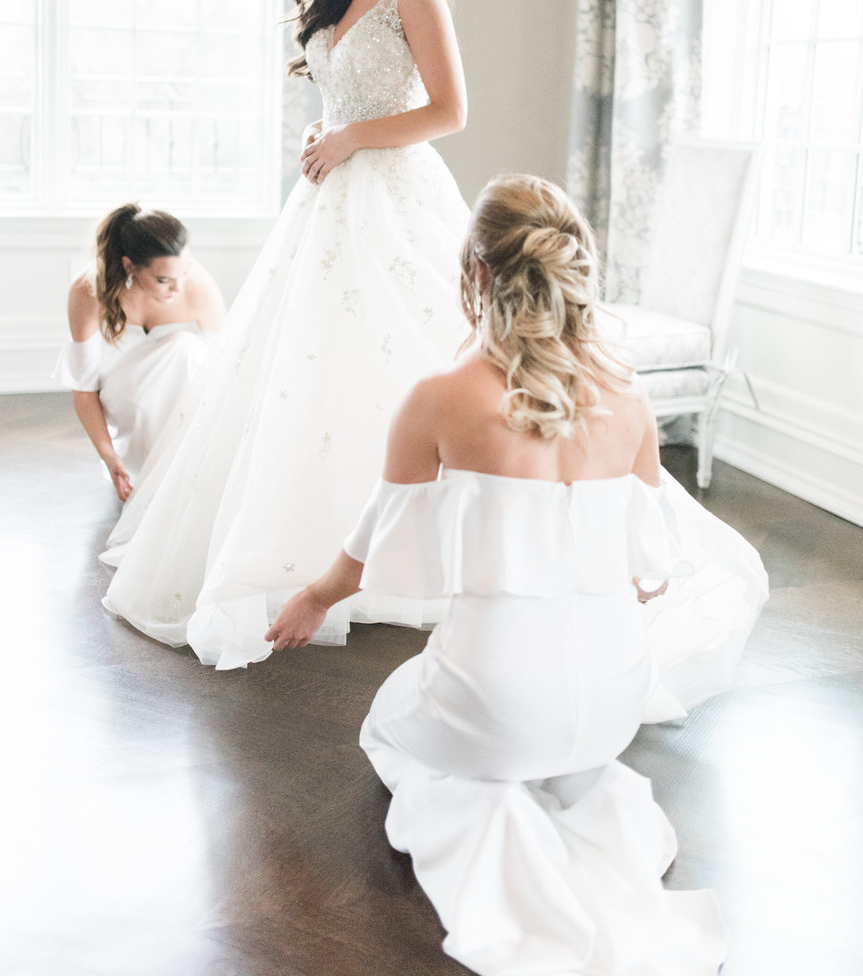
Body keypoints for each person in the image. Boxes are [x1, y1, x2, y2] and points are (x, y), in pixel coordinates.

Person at [267, 173, 767, 975]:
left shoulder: (438, 398)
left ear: (475, 275)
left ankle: (500, 803)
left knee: (393, 713)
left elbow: (370, 546)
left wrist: (312, 599)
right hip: (614, 706)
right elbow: (649, 575)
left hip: (498, 700)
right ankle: (550, 783)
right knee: (523, 721)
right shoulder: (629, 397)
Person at [101, 0, 471, 667]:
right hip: (328, 199)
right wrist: (326, 133)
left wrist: (348, 136)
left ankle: (402, 564)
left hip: (396, 201)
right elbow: (348, 104)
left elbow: (449, 110)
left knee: (400, 355)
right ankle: (298, 548)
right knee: (305, 370)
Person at [55, 204, 225, 500]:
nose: (178, 288)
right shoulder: (88, 290)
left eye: (184, 272)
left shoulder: (198, 288)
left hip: (187, 395)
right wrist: (109, 457)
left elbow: (226, 370)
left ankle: (193, 467)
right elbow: (84, 388)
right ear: (129, 266)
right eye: (163, 280)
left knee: (185, 350)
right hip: (125, 398)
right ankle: (141, 465)